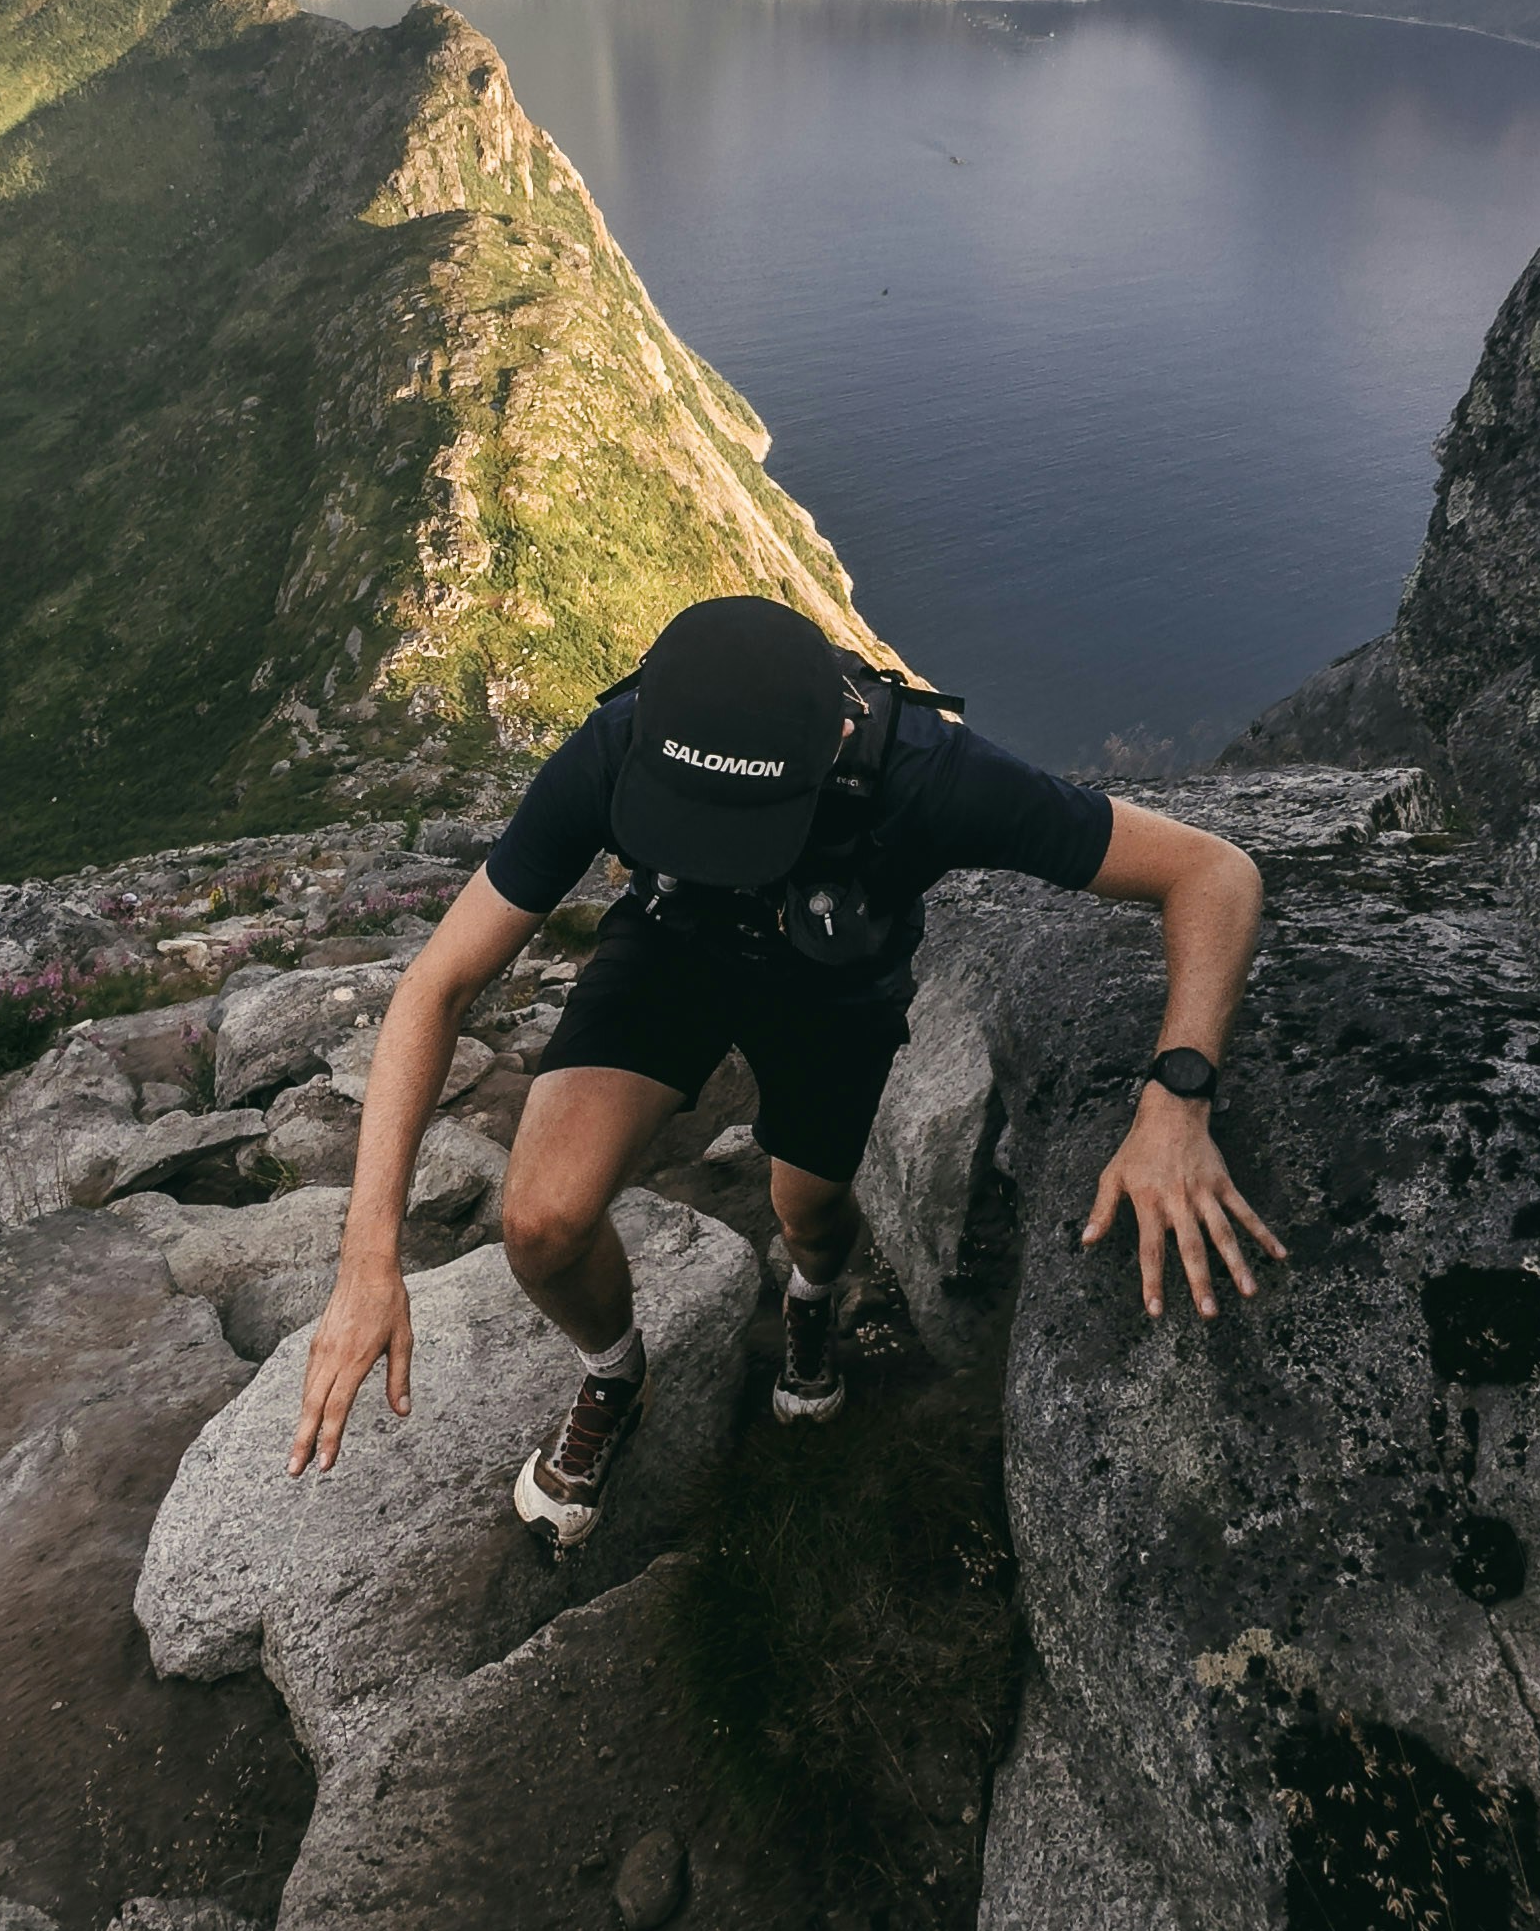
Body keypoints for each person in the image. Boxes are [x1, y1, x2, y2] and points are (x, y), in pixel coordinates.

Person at [286, 594, 1283, 1542]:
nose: (723, 851)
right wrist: (368, 1259)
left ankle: (809, 1298)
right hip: (673, 948)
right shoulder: (615, 745)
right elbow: (436, 985)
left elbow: (1212, 872)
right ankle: (616, 1376)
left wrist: (1175, 1103)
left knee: (808, 1210)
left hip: (834, 984)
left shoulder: (929, 772)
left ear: (838, 747)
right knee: (541, 1223)